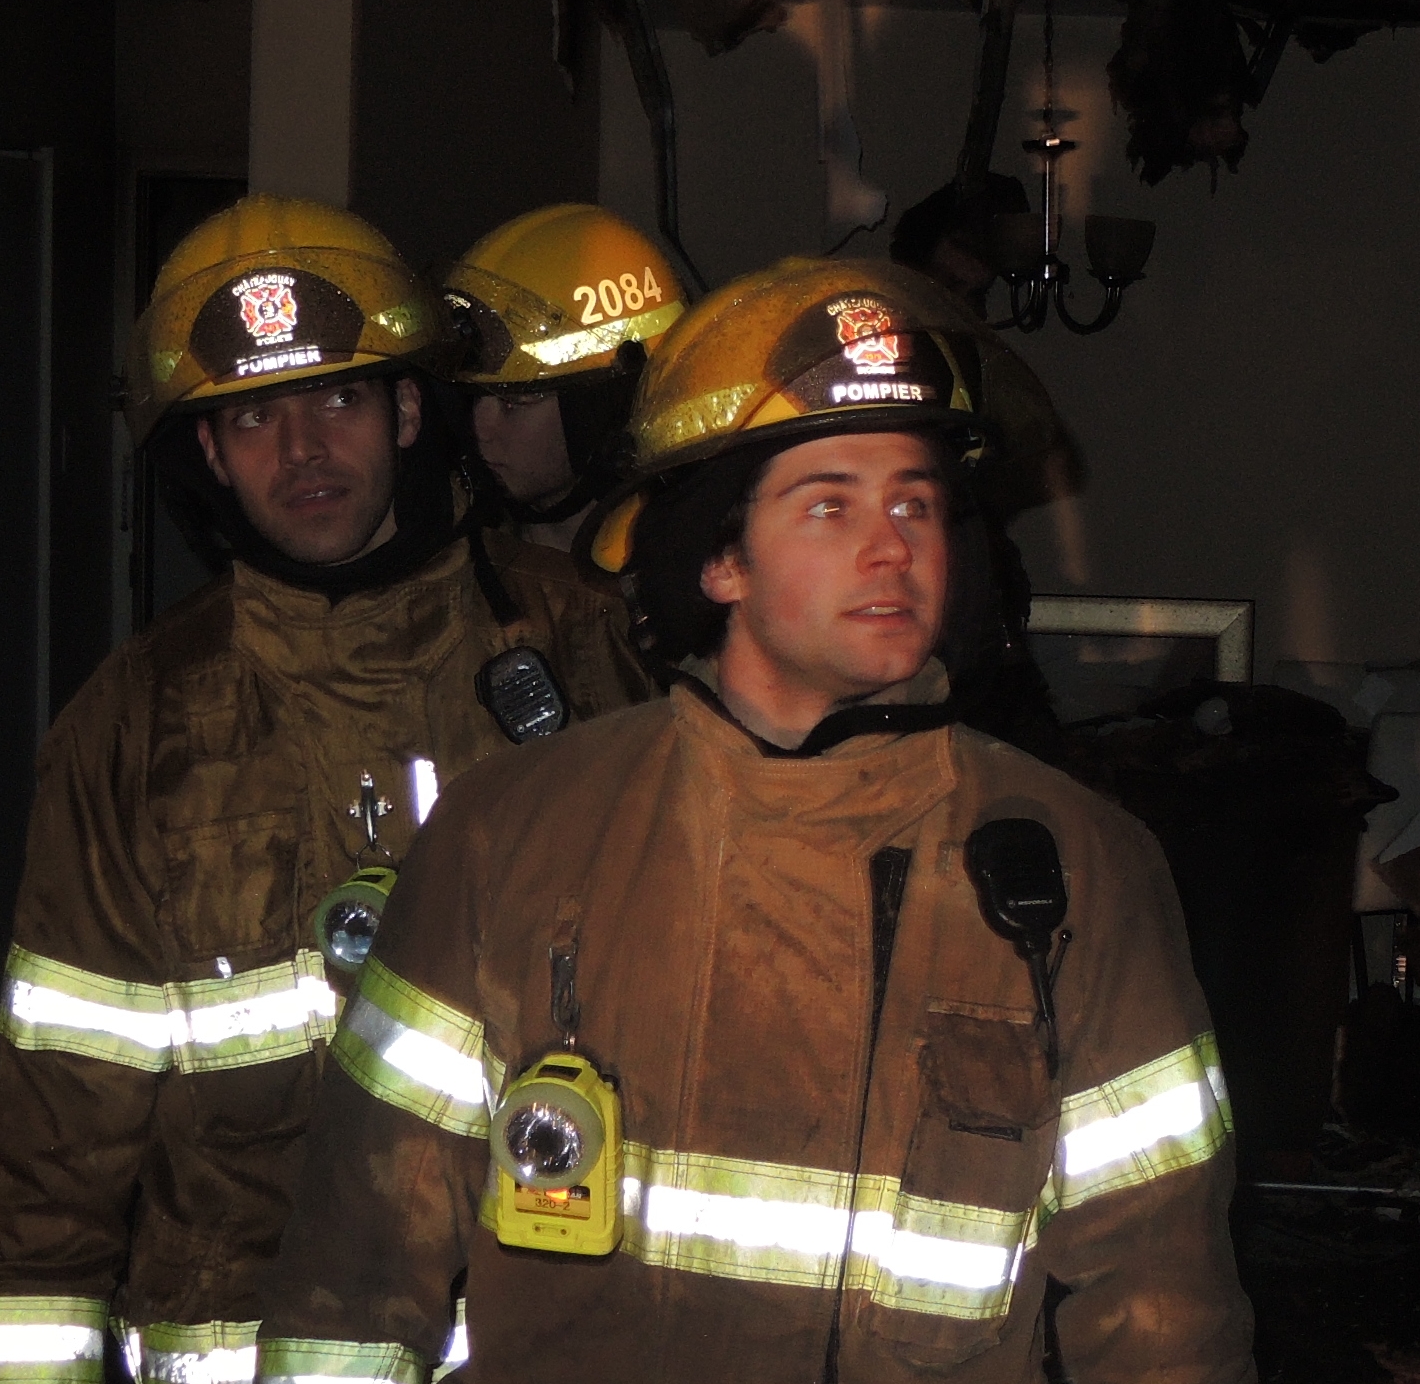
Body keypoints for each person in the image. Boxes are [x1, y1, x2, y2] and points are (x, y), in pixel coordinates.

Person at [257, 257, 1253, 1384]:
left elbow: (1164, 1307)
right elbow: (358, 1256)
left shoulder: (1078, 867)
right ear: (720, 556)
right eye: (829, 503)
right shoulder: (513, 833)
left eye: (914, 501)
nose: (891, 546)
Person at [0, 197, 653, 1384]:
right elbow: (54, 1134)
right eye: (255, 415)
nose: (303, 450)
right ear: (210, 454)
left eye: (339, 397)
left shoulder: (584, 649)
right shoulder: (133, 726)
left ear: (411, 408)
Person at [439, 203, 685, 557]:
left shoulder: (699, 584)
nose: (482, 430)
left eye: (514, 402)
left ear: (613, 406)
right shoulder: (455, 570)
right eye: (473, 398)